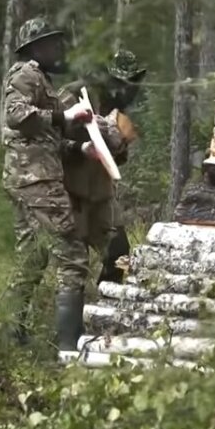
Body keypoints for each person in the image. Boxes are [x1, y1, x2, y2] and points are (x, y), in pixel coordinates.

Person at [0, 17, 96, 351]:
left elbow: (44, 138)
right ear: (36, 47)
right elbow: (15, 115)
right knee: (71, 254)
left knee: (32, 257)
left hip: (28, 177)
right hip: (35, 180)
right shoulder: (26, 74)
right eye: (53, 44)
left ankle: (11, 337)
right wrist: (64, 117)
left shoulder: (42, 80)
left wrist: (80, 147)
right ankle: (69, 350)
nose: (59, 50)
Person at [59, 49, 147, 286]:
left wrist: (118, 143)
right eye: (121, 82)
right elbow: (47, 142)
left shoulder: (119, 110)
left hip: (101, 195)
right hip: (71, 195)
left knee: (118, 254)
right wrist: (80, 144)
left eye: (131, 83)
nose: (126, 89)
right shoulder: (75, 95)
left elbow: (115, 160)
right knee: (74, 266)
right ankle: (71, 320)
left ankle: (105, 313)